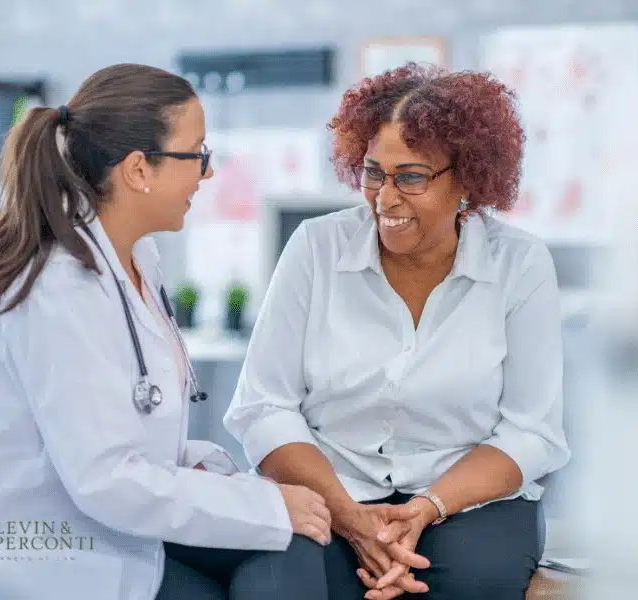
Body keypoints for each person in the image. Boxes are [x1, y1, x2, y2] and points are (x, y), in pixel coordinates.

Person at [0, 64, 331, 600]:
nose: (207, 174)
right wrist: (266, 505)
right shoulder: (57, 288)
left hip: (87, 511)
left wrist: (222, 477)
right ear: (139, 169)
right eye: (197, 154)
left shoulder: (136, 258)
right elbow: (106, 477)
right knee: (266, 547)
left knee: (291, 550)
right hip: (10, 536)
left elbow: (120, 431)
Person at [223, 62, 572, 600]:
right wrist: (348, 516)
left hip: (463, 500)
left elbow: (531, 431)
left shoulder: (520, 265)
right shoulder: (317, 249)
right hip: (326, 488)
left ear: (468, 180)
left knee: (472, 581)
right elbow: (264, 407)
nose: (384, 199)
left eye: (410, 177)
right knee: (287, 580)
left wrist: (426, 507)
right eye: (372, 173)